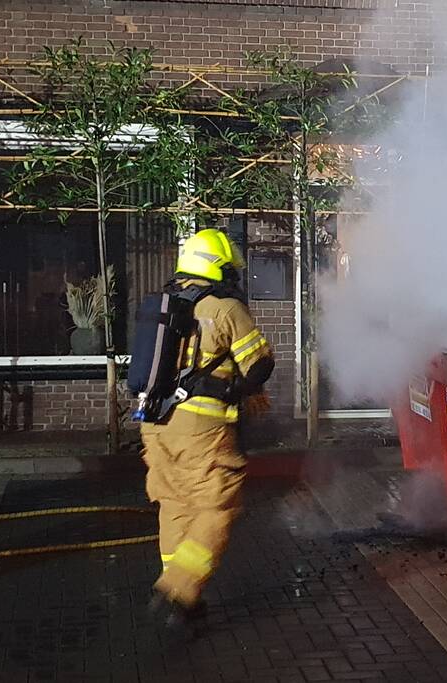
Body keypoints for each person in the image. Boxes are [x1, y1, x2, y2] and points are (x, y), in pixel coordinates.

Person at [140, 229, 274, 634]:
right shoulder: (224, 308)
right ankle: (178, 588)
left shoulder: (164, 304)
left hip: (155, 424)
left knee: (175, 505)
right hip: (202, 431)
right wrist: (243, 390)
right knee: (218, 507)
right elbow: (259, 364)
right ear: (219, 267)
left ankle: (186, 596)